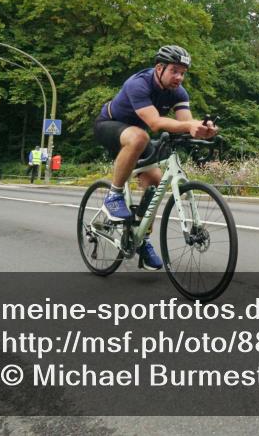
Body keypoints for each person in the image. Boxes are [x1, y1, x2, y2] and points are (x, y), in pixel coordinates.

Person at [93, 45, 218, 270]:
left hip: (136, 138)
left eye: (183, 73)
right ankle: (113, 195)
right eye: (175, 71)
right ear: (160, 68)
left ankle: (141, 238)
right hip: (109, 126)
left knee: (156, 181)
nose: (179, 77)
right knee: (140, 136)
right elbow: (155, 123)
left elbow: (184, 122)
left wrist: (201, 128)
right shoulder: (138, 84)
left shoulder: (179, 92)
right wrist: (188, 125)